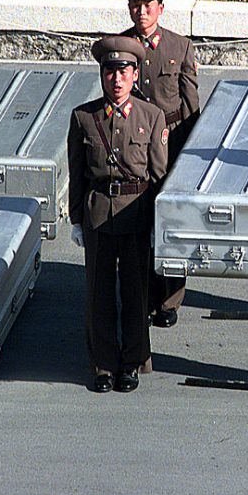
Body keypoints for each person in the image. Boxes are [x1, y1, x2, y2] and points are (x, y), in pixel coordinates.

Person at [68, 36, 168, 394]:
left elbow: (158, 176)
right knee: (99, 294)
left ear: (136, 74)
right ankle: (103, 365)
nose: (116, 78)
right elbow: (77, 172)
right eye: (110, 71)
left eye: (124, 71)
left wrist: (160, 224)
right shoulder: (83, 117)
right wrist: (76, 219)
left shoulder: (152, 117)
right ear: (102, 75)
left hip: (137, 215)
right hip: (97, 215)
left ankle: (133, 362)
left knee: (136, 292)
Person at [119, 0, 201, 329]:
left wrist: (190, 154)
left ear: (161, 8)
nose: (142, 11)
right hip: (135, 147)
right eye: (136, 4)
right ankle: (143, 294)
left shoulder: (179, 47)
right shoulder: (120, 47)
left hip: (171, 144)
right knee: (138, 222)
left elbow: (191, 105)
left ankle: (168, 299)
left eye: (148, 5)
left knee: (172, 223)